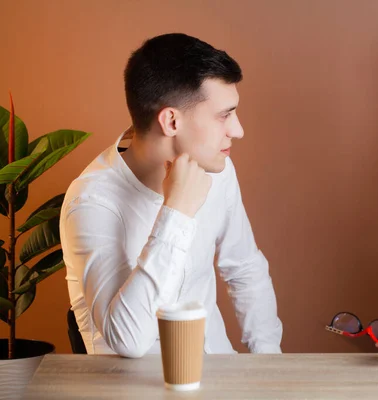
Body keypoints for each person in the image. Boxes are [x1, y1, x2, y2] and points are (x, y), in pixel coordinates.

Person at [60, 33, 283, 357]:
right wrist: (177, 211)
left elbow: (245, 267)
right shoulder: (92, 201)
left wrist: (269, 364)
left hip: (220, 379)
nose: (237, 130)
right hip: (135, 389)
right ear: (171, 120)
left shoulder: (217, 169)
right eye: (224, 115)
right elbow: (128, 340)